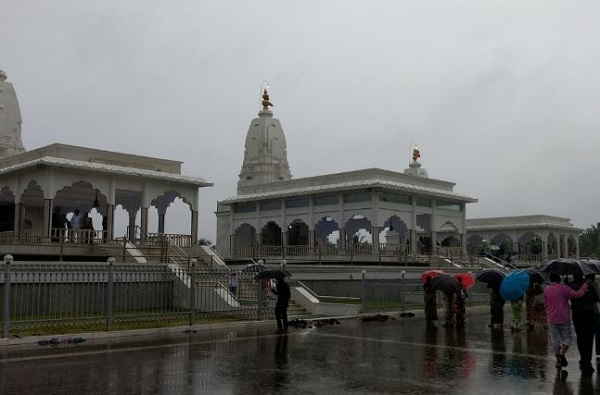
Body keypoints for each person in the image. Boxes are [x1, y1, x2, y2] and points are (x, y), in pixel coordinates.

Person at [544, 273, 589, 370]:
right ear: (559, 279)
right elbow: (577, 295)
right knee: (567, 337)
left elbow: (546, 305)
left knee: (555, 340)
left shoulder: (546, 289)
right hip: (563, 318)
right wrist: (585, 285)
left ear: (551, 280)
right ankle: (562, 353)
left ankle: (558, 362)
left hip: (552, 318)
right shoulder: (563, 288)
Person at [568, 273, 598, 375]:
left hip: (576, 314)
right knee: (589, 338)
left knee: (580, 337)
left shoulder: (570, 285)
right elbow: (596, 298)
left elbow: (567, 298)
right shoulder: (589, 285)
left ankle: (583, 359)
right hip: (589, 313)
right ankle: (587, 362)